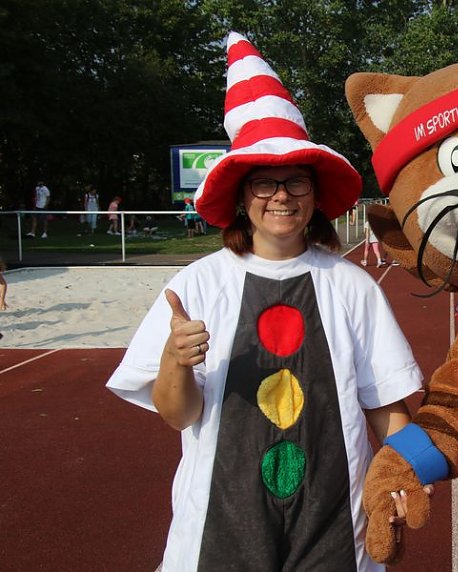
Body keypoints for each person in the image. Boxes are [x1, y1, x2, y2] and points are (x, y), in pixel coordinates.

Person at [105, 32, 422, 572]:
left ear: (316, 195)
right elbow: (177, 414)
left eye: (296, 182)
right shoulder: (197, 284)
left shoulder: (351, 286)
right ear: (240, 196)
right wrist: (174, 360)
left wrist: (404, 474)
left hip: (333, 521)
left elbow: (384, 402)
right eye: (265, 182)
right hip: (220, 522)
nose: (281, 196)